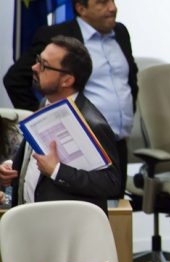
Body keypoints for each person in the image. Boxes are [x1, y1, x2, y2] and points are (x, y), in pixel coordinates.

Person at [3, 0, 137, 190]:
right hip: (75, 142)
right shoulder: (58, 38)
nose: (113, 7)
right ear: (81, 9)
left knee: (114, 205)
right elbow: (15, 79)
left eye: (113, 0)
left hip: (117, 141)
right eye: (102, 2)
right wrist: (45, 121)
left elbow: (131, 80)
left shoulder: (120, 33)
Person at [0, 36, 122, 214]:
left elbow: (111, 183)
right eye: (37, 60)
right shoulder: (46, 103)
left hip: (64, 229)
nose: (34, 68)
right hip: (31, 221)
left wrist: (58, 171)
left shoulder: (92, 123)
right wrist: (13, 167)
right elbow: (35, 151)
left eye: (44, 65)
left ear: (67, 80)